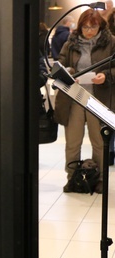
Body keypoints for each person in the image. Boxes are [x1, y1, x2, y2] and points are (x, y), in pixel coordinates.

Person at [54, 9, 115, 193]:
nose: (89, 31)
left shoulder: (110, 42)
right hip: (74, 97)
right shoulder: (71, 42)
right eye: (85, 27)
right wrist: (70, 73)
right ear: (80, 26)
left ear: (100, 26)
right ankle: (72, 178)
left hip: (98, 99)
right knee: (73, 141)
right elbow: (60, 64)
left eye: (93, 26)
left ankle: (100, 179)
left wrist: (105, 76)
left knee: (99, 141)